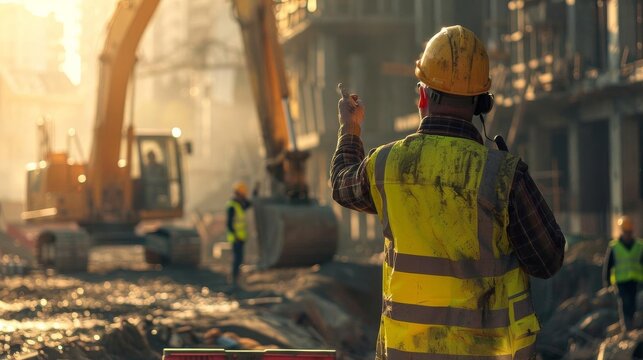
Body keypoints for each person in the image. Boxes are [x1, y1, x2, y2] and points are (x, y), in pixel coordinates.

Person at [330, 25, 566, 359]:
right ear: (481, 103)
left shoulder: (387, 166)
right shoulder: (503, 176)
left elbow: (341, 185)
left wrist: (350, 128)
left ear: (423, 96)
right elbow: (548, 259)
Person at [603, 215, 643, 332]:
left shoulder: (639, 246)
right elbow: (608, 265)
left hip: (635, 280)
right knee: (624, 302)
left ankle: (631, 323)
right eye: (626, 232)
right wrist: (607, 282)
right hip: (620, 281)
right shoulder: (614, 247)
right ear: (622, 232)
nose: (628, 235)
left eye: (629, 232)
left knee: (633, 303)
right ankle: (626, 326)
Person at [226, 181, 252, 287]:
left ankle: (236, 278)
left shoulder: (240, 205)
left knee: (240, 258)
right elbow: (229, 223)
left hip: (241, 237)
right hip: (236, 238)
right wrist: (235, 236)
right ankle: (234, 279)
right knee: (237, 259)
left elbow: (248, 204)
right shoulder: (232, 206)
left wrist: (254, 194)